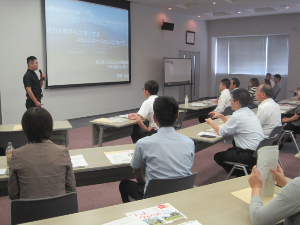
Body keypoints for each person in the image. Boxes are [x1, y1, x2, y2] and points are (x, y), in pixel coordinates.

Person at [119, 96, 195, 203]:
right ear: (177, 116)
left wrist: (142, 181)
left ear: (154, 118)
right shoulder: (189, 142)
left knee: (124, 184)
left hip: (154, 198)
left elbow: (136, 171)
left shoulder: (143, 143)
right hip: (182, 195)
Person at [8, 107, 76, 199]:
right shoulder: (62, 152)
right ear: (50, 127)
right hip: (60, 210)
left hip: (27, 211)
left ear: (25, 129)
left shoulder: (17, 154)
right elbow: (71, 188)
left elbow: (13, 194)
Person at [205, 88, 264, 177]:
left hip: (247, 155)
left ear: (237, 103)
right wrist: (221, 116)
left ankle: (240, 174)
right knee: (230, 150)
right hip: (257, 152)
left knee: (218, 156)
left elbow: (221, 132)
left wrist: (211, 123)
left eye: (231, 100)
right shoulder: (248, 112)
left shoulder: (237, 116)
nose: (230, 102)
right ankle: (241, 171)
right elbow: (232, 124)